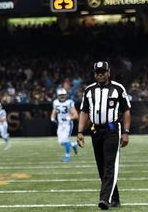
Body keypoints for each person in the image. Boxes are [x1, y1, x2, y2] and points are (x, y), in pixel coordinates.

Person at [77, 61, 131, 210]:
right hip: (95, 130)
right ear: (95, 74)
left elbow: (126, 110)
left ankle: (104, 199)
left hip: (112, 129)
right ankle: (115, 199)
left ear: (108, 73)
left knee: (109, 165)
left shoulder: (118, 88)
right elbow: (84, 112)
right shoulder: (89, 90)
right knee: (101, 167)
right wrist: (80, 131)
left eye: (103, 72)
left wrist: (126, 132)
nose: (100, 75)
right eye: (97, 72)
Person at [50, 87, 79, 162]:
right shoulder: (55, 102)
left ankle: (67, 157)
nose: (62, 96)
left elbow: (76, 115)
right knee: (61, 142)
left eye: (63, 95)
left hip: (68, 124)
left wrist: (68, 118)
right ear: (57, 95)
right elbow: (54, 111)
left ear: (66, 95)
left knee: (65, 140)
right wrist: (52, 117)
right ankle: (73, 144)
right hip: (60, 124)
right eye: (60, 95)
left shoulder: (69, 102)